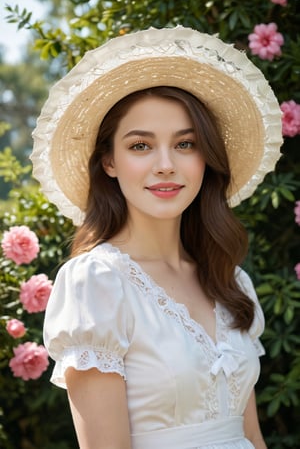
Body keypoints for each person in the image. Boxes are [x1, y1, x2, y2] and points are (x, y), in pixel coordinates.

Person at [31, 27, 283, 449]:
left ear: (206, 158)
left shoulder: (232, 282)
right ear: (109, 161)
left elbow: (250, 436)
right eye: (141, 146)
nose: (166, 165)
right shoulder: (96, 284)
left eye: (185, 144)